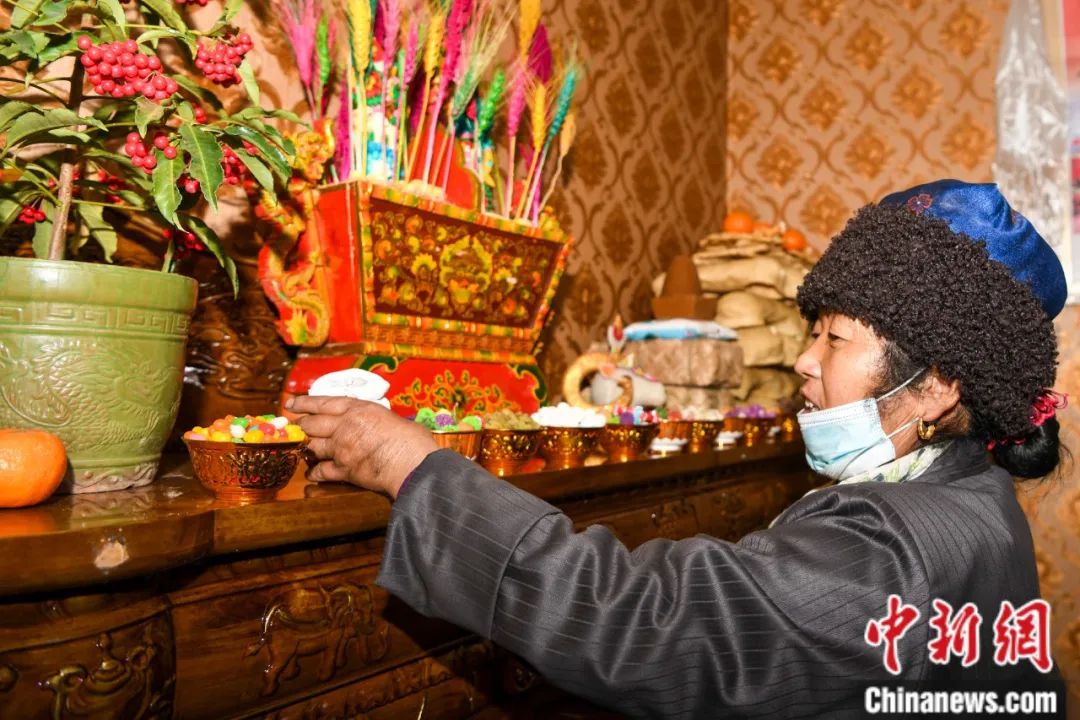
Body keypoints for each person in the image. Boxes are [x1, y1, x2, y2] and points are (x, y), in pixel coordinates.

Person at [290, 180, 1067, 718]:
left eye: (835, 339)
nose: (804, 360)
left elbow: (656, 625)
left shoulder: (891, 550)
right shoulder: (973, 490)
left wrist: (414, 470)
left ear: (936, 389)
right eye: (812, 332)